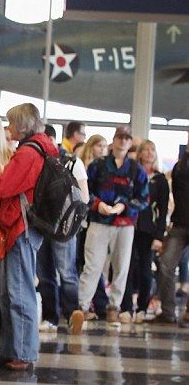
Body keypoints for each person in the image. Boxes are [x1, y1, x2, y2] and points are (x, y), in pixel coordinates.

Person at [0, 103, 56, 370]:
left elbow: (5, 188)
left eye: (11, 123)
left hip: (21, 228)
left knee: (18, 293)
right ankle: (10, 348)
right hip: (22, 227)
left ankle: (23, 352)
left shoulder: (28, 153)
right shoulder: (38, 150)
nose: (8, 128)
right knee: (8, 293)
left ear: (23, 125)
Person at [77, 126, 148, 327]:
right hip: (99, 221)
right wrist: (98, 205)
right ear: (114, 140)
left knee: (122, 267)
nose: (123, 141)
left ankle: (114, 306)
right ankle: (82, 306)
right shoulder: (98, 165)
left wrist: (123, 205)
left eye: (127, 138)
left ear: (130, 141)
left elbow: (143, 198)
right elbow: (85, 191)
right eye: (120, 137)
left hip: (125, 224)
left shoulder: (136, 169)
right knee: (92, 265)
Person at [36, 125, 87, 335]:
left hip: (64, 227)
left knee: (66, 272)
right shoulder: (35, 161)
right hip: (41, 224)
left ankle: (72, 313)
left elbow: (84, 197)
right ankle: (51, 317)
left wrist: (74, 222)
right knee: (45, 273)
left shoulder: (73, 162)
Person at [122, 140, 168, 323]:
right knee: (126, 265)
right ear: (140, 153)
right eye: (146, 150)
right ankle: (126, 307)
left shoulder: (160, 179)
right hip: (129, 224)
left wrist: (159, 236)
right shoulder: (132, 173)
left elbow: (163, 209)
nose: (149, 153)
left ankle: (142, 306)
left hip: (148, 230)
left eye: (152, 150)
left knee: (145, 269)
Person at [155, 133, 189, 324]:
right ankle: (168, 311)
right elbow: (176, 193)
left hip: (180, 222)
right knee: (166, 265)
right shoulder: (180, 166)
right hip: (180, 223)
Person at [76, 134, 109, 321]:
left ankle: (99, 303)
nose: (102, 149)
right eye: (99, 145)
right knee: (88, 265)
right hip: (83, 220)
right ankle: (89, 303)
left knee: (93, 265)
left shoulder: (106, 168)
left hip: (96, 221)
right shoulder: (85, 166)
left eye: (105, 145)